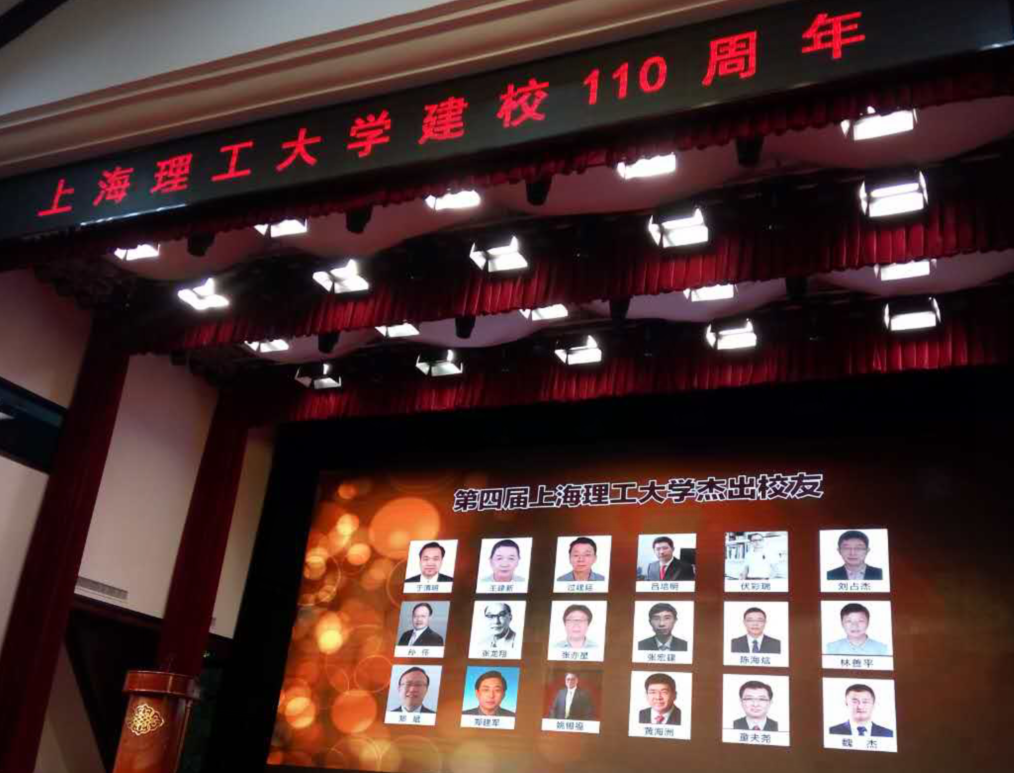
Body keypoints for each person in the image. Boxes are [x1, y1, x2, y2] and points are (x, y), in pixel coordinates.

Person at [829, 684, 894, 737]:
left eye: (865, 702)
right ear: (846, 703)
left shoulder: (888, 734)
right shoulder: (832, 732)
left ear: (873, 704)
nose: (860, 706)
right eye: (855, 702)